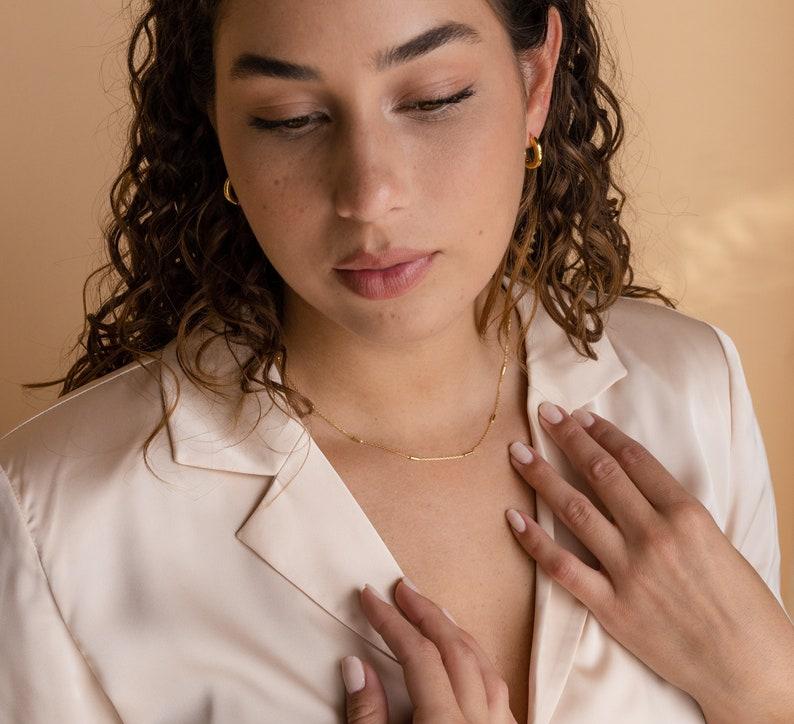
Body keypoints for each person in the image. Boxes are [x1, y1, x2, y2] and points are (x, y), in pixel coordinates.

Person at [1, 1, 792, 722]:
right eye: (290, 117)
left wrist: (764, 687)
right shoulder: (56, 518)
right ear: (218, 126)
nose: (369, 193)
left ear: (536, 79)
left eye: (433, 100)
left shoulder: (693, 387)